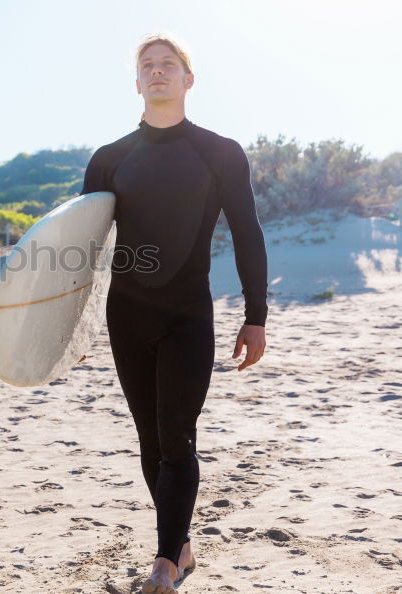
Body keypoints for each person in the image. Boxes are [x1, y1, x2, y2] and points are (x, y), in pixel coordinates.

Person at [79, 32, 269, 593]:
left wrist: (255, 314)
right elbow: (86, 249)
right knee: (151, 442)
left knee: (177, 433)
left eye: (169, 64)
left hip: (188, 312)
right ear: (136, 83)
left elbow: (247, 234)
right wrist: (76, 324)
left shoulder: (220, 153)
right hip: (126, 314)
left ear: (189, 80)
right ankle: (181, 547)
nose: (157, 72)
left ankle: (163, 563)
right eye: (147, 66)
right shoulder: (109, 159)